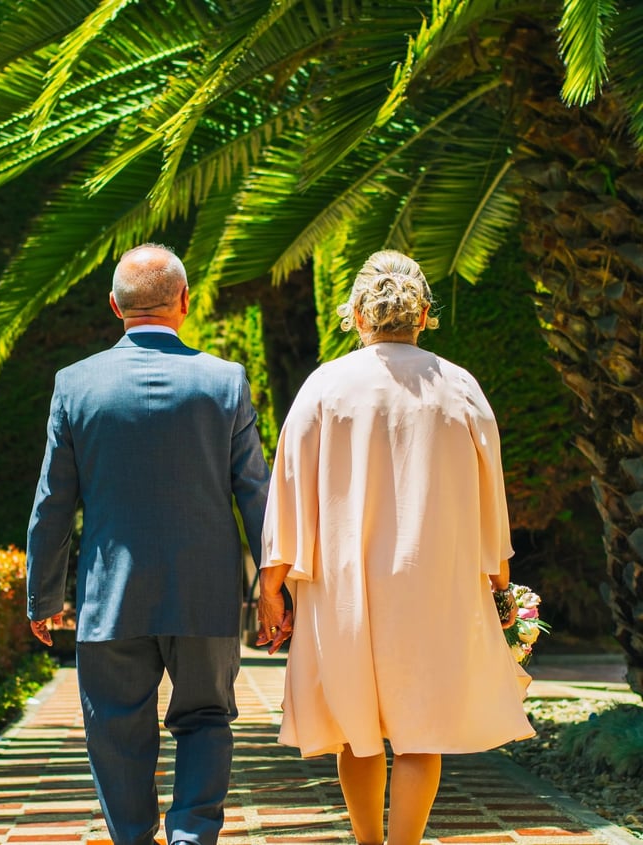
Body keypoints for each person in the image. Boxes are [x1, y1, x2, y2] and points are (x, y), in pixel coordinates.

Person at [257, 250, 534, 845]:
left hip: (344, 583)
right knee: (420, 727)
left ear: (354, 314)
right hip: (432, 580)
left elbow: (290, 487)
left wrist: (273, 582)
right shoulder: (456, 385)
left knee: (358, 727)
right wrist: (499, 577)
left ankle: (368, 843)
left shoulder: (324, 385)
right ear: (425, 313)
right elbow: (491, 492)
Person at [26, 243, 269, 845]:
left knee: (115, 727)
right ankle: (192, 836)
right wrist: (273, 584)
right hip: (206, 595)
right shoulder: (225, 381)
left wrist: (43, 595)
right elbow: (257, 494)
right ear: (184, 303)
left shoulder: (74, 384)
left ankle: (134, 837)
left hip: (111, 598)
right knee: (208, 717)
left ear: (115, 306)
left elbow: (53, 500)